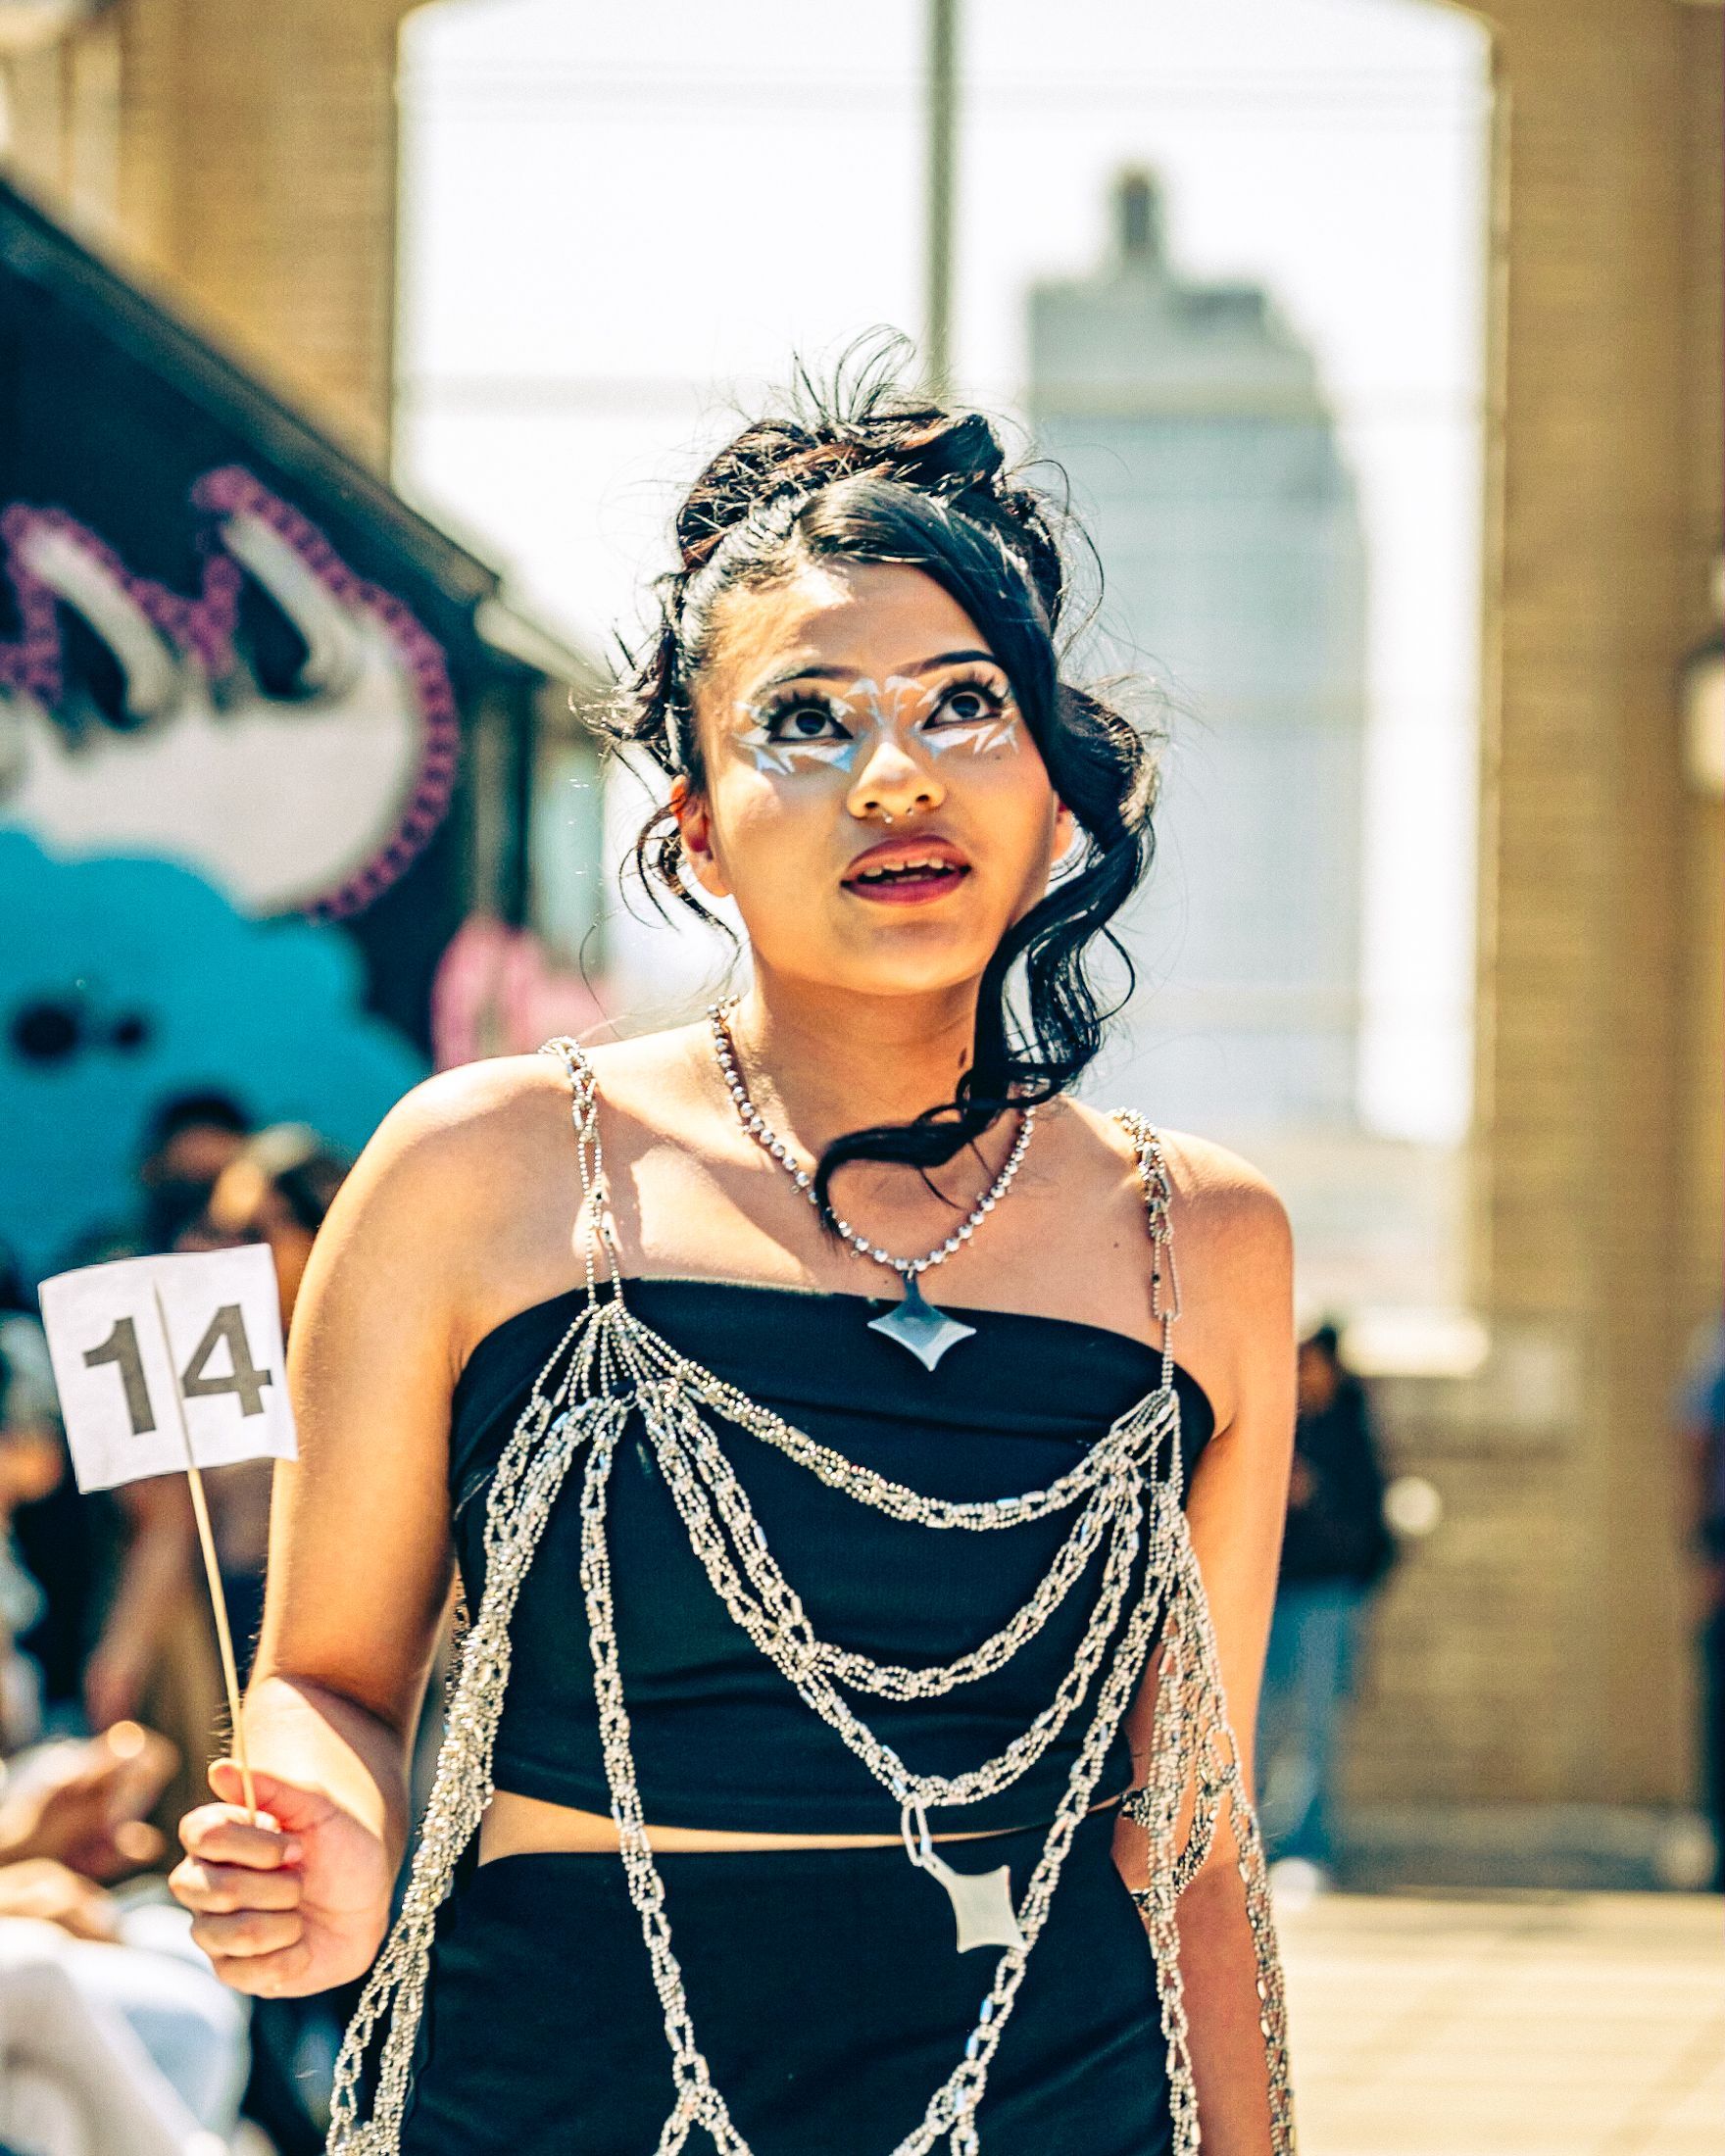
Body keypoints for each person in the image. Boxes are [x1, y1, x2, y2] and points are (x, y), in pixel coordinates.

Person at [171, 358, 1299, 2156]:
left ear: (1053, 795)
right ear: (691, 818)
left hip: (1051, 2087)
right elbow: (329, 1682)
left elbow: (1192, 1836)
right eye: (807, 721)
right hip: (575, 2084)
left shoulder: (1203, 1237)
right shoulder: (484, 1167)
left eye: (963, 708)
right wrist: (319, 1841)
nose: (895, 776)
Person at [1254, 1321, 1396, 1887]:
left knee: (1316, 1724)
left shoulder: (1347, 1433)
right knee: (1255, 1722)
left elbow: (1368, 1523)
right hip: (1270, 1592)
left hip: (1326, 1596)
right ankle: (1252, 1842)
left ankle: (1307, 1844)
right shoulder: (1275, 1424)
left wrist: (1312, 1495)